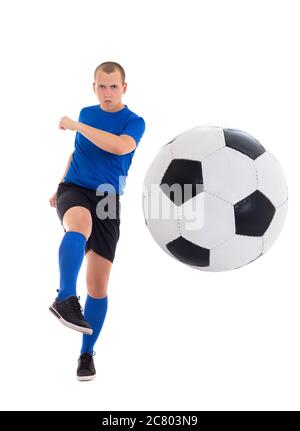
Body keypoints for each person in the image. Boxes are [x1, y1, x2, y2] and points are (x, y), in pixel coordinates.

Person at [49, 61, 146, 381]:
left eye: (113, 86)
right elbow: (78, 152)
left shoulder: (134, 121)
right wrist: (60, 184)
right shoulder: (87, 113)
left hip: (108, 197)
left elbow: (119, 147)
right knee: (79, 225)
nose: (107, 92)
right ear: (94, 87)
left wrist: (77, 125)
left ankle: (86, 354)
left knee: (98, 285)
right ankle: (64, 296)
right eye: (101, 86)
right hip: (75, 189)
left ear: (124, 88)